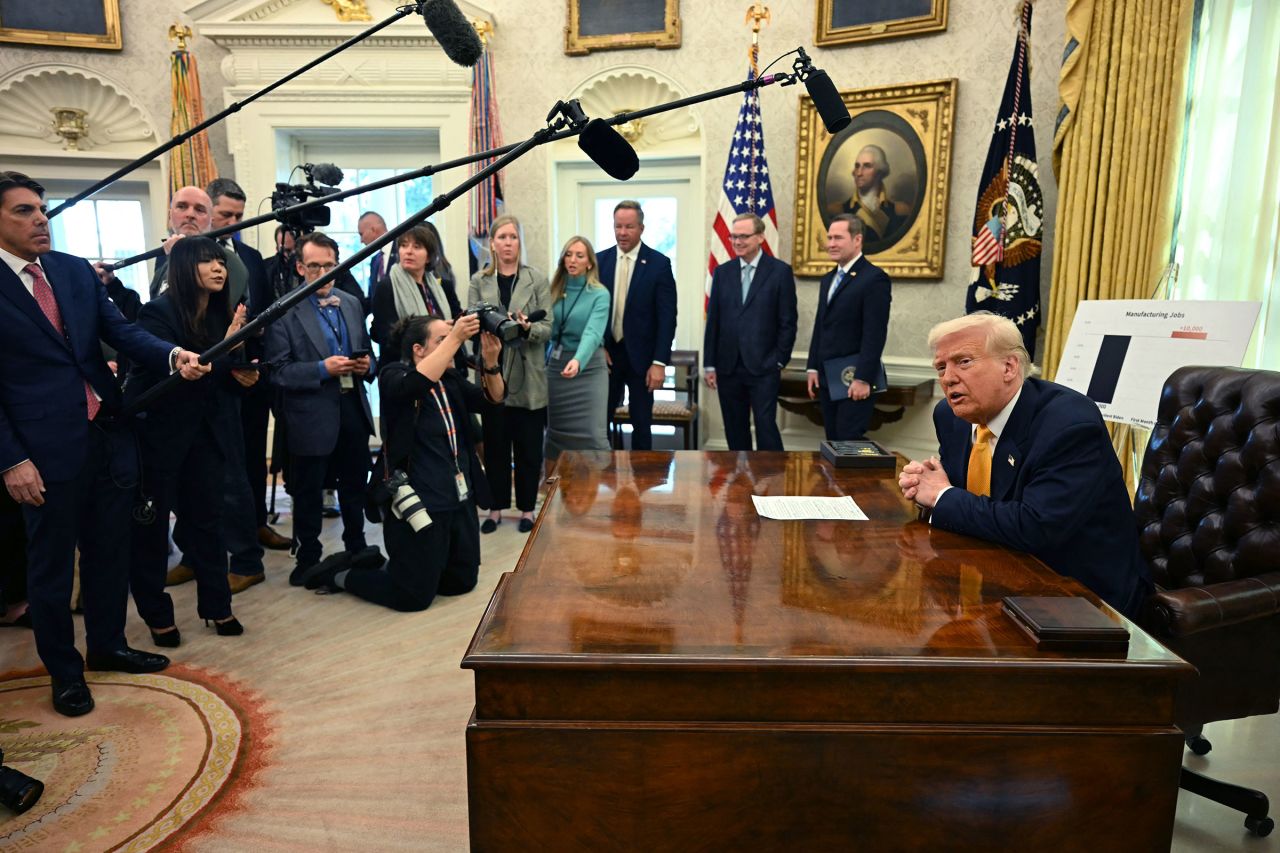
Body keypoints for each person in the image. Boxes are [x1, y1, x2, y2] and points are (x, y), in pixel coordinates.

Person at [0, 171, 209, 716]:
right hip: (40, 451)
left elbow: (123, 331)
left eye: (42, 209)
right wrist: (12, 459)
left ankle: (108, 645)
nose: (40, 219)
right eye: (24, 211)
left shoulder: (71, 271)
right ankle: (65, 673)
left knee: (109, 550)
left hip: (107, 432)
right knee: (49, 569)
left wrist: (172, 354)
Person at [897, 312, 1152, 618]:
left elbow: (1036, 527)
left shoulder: (1068, 423)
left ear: (1009, 367)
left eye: (963, 362)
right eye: (941, 367)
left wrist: (941, 496)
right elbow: (960, 494)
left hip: (1080, 598)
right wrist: (926, 486)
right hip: (993, 580)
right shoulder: (950, 416)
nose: (948, 378)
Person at [300, 313, 505, 606]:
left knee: (460, 583)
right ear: (418, 349)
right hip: (421, 499)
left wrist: (492, 361)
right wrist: (458, 336)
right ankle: (340, 574)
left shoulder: (450, 379)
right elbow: (415, 384)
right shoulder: (393, 375)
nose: (452, 346)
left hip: (459, 495)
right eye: (442, 340)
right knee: (412, 598)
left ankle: (394, 566)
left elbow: (493, 401)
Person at [125, 236, 252, 645]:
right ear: (183, 267)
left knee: (207, 523)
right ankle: (158, 616)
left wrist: (243, 373)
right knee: (152, 529)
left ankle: (217, 607)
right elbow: (163, 371)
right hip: (159, 437)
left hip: (205, 435)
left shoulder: (220, 314)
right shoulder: (156, 313)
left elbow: (220, 377)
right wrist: (219, 361)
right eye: (207, 261)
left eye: (221, 261)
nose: (219, 268)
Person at [265, 232, 379, 583]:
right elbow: (277, 372)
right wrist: (321, 369)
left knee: (355, 484)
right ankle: (308, 556)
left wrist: (366, 367)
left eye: (329, 265)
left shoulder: (351, 303)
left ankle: (357, 545)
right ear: (300, 267)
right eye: (314, 266)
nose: (323, 273)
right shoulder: (284, 311)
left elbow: (368, 354)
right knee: (309, 490)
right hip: (310, 414)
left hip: (353, 407)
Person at [468, 215, 551, 534]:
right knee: (497, 446)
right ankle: (497, 508)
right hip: (493, 372)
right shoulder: (479, 281)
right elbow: (473, 322)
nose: (507, 243)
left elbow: (548, 327)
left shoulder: (537, 279)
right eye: (501, 237)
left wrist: (527, 328)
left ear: (520, 243)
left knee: (529, 448)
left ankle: (528, 508)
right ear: (492, 243)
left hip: (529, 375)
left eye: (513, 237)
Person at [703, 212, 798, 451]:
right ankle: (741, 482)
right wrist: (710, 364)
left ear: (760, 237)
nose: (737, 242)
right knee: (735, 429)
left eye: (744, 236)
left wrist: (779, 360)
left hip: (764, 366)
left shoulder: (779, 272)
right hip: (728, 366)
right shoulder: (723, 273)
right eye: (734, 237)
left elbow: (788, 321)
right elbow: (713, 321)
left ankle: (772, 482)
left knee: (766, 427)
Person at [597, 201, 678, 450]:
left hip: (643, 361)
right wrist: (599, 346)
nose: (622, 232)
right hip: (607, 358)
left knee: (641, 423)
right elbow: (593, 312)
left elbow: (667, 318)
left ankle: (643, 483)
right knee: (601, 423)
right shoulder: (600, 261)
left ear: (641, 228)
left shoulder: (658, 264)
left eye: (629, 227)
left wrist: (659, 363)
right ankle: (604, 480)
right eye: (618, 226)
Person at [805, 214, 892, 440]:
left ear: (857, 240)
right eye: (829, 238)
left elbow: (875, 333)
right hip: (827, 377)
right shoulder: (828, 279)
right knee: (833, 439)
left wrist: (863, 378)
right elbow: (820, 326)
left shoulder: (874, 278)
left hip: (854, 378)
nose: (831, 244)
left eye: (838, 238)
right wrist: (812, 367)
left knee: (848, 440)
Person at [544, 236, 611, 464]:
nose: (572, 260)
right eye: (568, 254)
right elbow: (547, 330)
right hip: (557, 367)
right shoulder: (552, 291)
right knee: (555, 434)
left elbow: (593, 332)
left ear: (589, 263)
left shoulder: (600, 294)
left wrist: (579, 360)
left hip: (589, 367)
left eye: (579, 256)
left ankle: (600, 493)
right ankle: (555, 494)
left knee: (594, 435)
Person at [370, 223, 461, 352]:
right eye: (404, 245)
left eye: (417, 247)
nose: (409, 251)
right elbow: (386, 336)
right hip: (404, 364)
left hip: (442, 360)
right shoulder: (386, 287)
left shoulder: (438, 286)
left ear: (429, 257)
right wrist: (433, 331)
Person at [835, 144, 909, 246]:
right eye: (857, 166)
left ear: (880, 172)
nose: (859, 173)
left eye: (867, 166)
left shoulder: (900, 212)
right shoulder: (838, 211)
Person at [357, 211, 396, 301]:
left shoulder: (403, 252)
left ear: (373, 230)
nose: (361, 240)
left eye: (361, 234)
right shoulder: (375, 261)